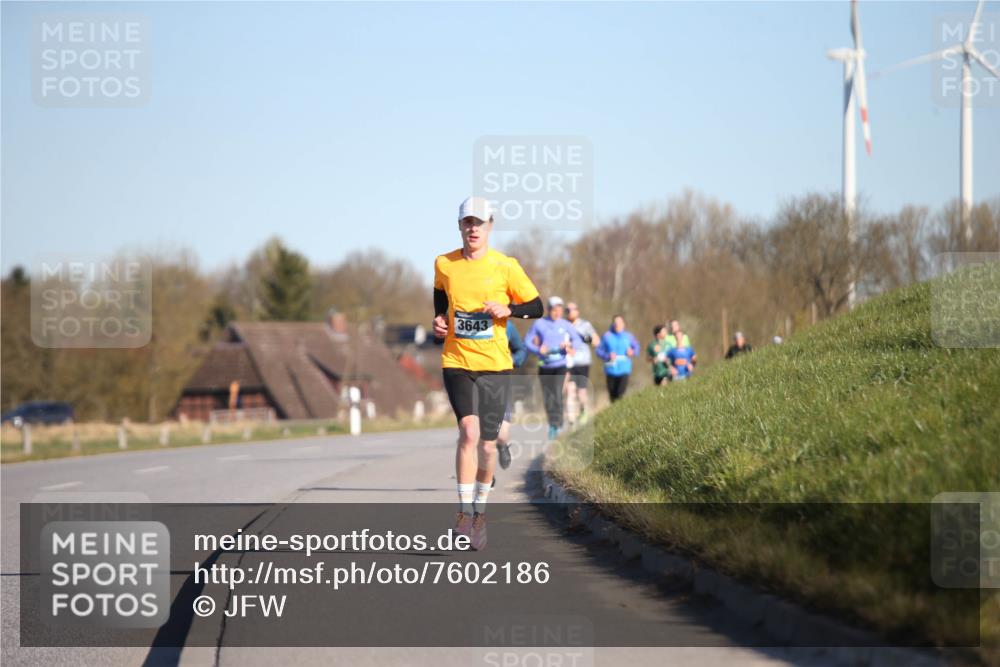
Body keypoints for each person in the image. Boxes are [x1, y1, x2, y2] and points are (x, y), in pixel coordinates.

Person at [433, 196, 543, 550]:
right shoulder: (445, 263)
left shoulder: (506, 266)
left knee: (488, 444)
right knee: (468, 432)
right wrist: (439, 319)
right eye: (468, 222)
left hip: (495, 365)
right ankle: (464, 514)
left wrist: (509, 309)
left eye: (479, 223)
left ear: (490, 226)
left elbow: (537, 306)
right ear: (460, 225)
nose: (473, 229)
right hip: (457, 361)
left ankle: (480, 513)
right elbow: (440, 295)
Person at [525, 296, 584, 439]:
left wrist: (570, 346)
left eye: (559, 310)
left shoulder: (565, 324)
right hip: (545, 366)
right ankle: (552, 424)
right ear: (548, 310)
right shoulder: (539, 324)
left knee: (557, 393)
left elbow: (577, 339)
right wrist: (538, 349)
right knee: (548, 396)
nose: (557, 313)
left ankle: (558, 423)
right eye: (554, 310)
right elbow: (527, 341)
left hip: (560, 365)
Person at [494, 320, 527, 477]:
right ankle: (485, 476)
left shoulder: (506, 325)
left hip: (500, 383)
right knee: (476, 433)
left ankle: (502, 445)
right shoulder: (466, 320)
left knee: (501, 434)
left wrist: (513, 360)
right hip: (473, 383)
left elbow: (521, 349)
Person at [565, 302, 598, 423]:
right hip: (568, 362)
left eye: (572, 309)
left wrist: (585, 338)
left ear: (577, 311)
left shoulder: (585, 325)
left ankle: (583, 411)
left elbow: (596, 341)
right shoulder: (563, 325)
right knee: (570, 390)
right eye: (567, 310)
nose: (569, 312)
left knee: (581, 391)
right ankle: (571, 418)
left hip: (582, 361)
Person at [596, 315, 640, 402]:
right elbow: (598, 350)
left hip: (624, 368)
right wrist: (607, 356)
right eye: (615, 322)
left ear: (623, 324)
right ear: (613, 324)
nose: (617, 324)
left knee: (620, 393)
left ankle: (620, 408)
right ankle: (614, 408)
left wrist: (632, 352)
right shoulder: (607, 336)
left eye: (619, 322)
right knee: (612, 394)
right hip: (610, 369)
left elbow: (637, 347)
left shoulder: (628, 336)